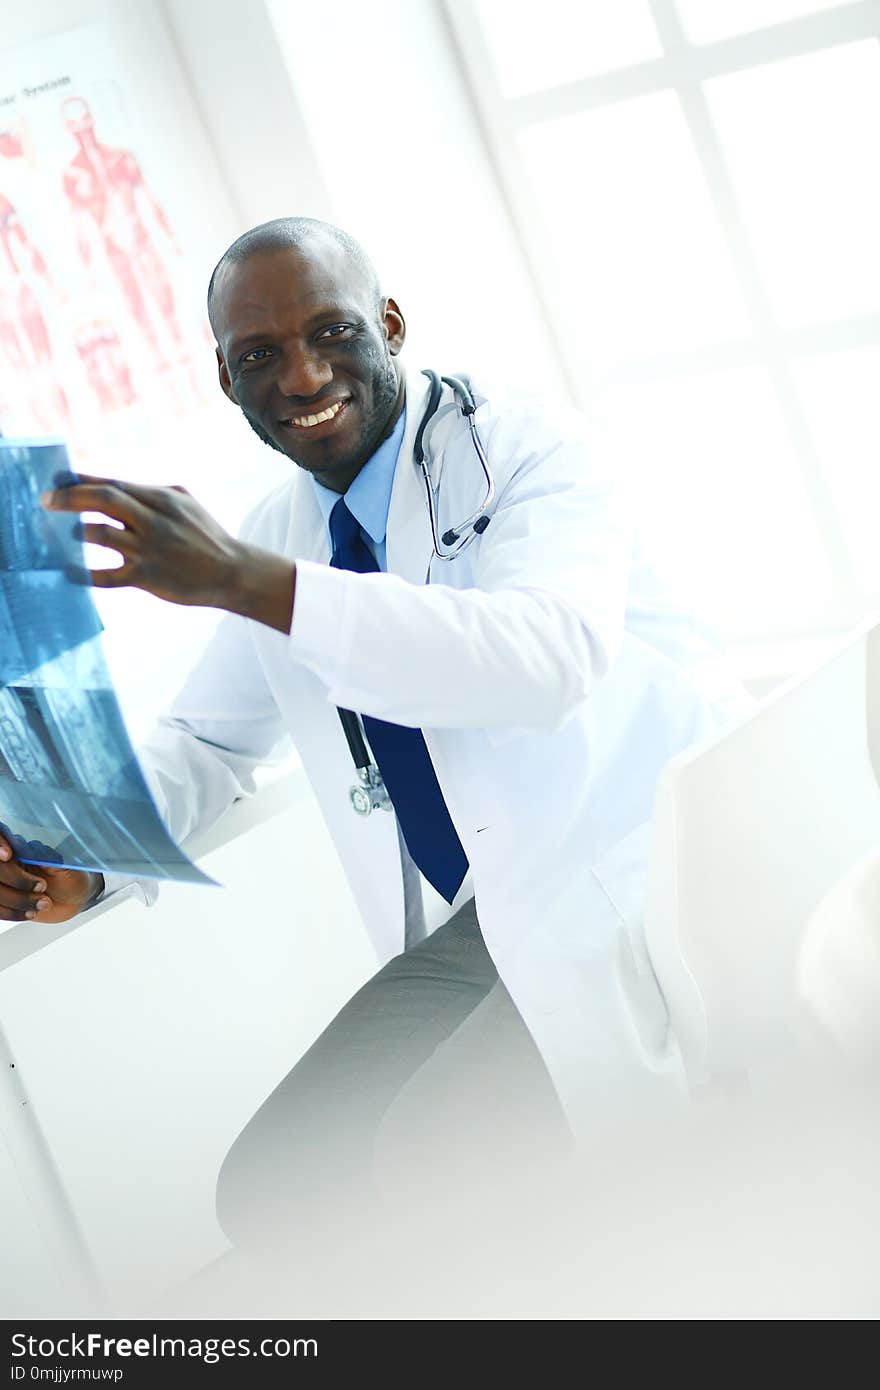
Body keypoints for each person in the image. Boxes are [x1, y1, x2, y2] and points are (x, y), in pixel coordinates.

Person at [0, 218, 750, 1288]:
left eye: (333, 332)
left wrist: (249, 582)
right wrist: (85, 854)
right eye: (259, 354)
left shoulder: (528, 450)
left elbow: (546, 659)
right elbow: (207, 739)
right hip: (495, 909)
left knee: (430, 1162)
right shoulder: (283, 525)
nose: (302, 375)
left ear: (391, 323)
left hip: (635, 866)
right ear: (225, 377)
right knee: (276, 1186)